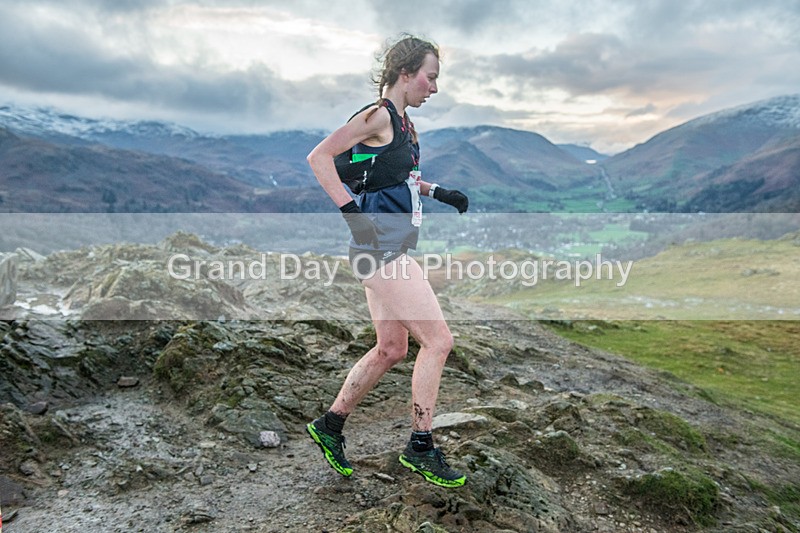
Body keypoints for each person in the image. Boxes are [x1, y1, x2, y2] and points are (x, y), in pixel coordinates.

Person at [305, 35, 469, 488]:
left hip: (381, 248)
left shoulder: (404, 125)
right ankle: (421, 446)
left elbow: (402, 176)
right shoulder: (376, 116)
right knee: (438, 342)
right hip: (379, 249)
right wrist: (352, 215)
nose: (433, 87)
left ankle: (330, 425)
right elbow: (319, 158)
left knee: (393, 349)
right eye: (430, 77)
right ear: (405, 72)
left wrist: (440, 193)